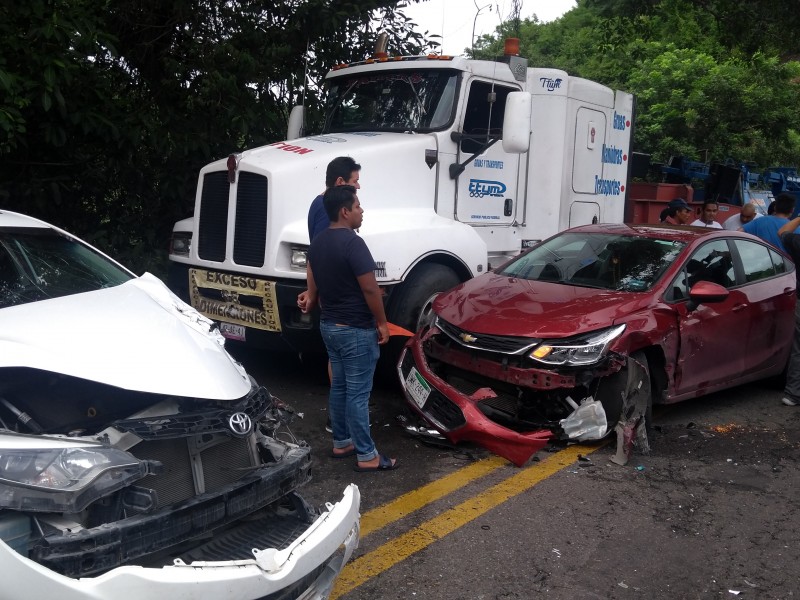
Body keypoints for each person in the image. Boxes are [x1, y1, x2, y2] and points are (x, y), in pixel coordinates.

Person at [299, 185, 397, 471]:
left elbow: (314, 279)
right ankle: (367, 455)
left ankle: (342, 442)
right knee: (358, 393)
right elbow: (370, 291)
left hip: (330, 326)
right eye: (357, 206)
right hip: (355, 329)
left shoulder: (317, 243)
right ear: (345, 211)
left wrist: (312, 297)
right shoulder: (353, 243)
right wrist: (381, 322)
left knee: (340, 387)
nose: (361, 210)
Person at [300, 157, 361, 432]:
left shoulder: (316, 202)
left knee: (336, 357)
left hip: (328, 294)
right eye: (354, 182)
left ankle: (339, 418)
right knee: (342, 360)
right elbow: (322, 256)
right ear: (340, 183)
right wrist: (313, 293)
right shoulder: (331, 212)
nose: (358, 187)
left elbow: (314, 253)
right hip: (336, 298)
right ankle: (340, 419)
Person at [777, 212, 800, 406]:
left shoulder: (797, 242)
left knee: (799, 349)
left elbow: (783, 231)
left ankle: (793, 394)